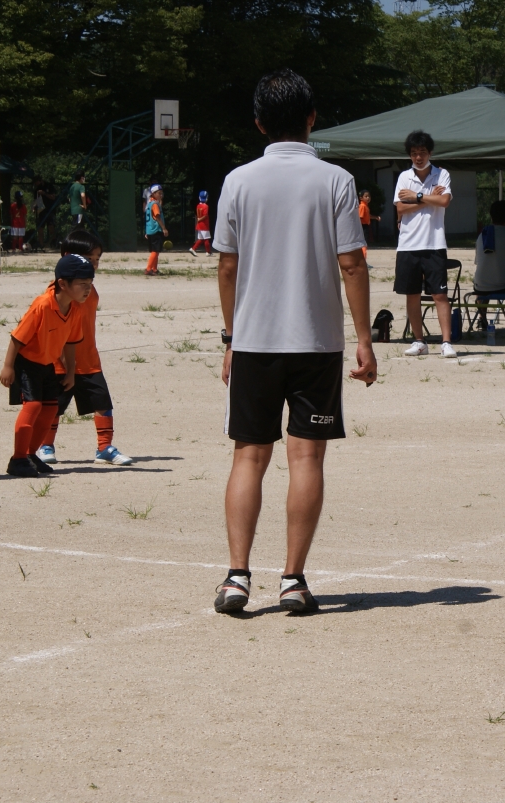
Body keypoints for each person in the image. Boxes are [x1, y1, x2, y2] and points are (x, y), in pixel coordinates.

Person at [212, 68, 375, 615]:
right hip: (316, 342)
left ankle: (236, 577)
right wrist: (364, 339)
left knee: (248, 455)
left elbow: (228, 266)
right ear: (312, 118)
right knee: (306, 457)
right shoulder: (336, 179)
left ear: (259, 122)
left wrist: (231, 336)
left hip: (255, 340)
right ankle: (293, 580)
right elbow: (351, 264)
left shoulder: (238, 180)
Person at [37, 229, 136, 467]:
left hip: (89, 359)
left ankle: (104, 448)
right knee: (53, 406)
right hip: (60, 362)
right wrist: (63, 360)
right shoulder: (58, 292)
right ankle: (45, 446)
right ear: (67, 257)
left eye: (97, 259)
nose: (94, 264)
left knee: (103, 404)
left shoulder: (90, 290)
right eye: (89, 259)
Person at [0, 254, 92, 478]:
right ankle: (17, 459)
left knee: (50, 409)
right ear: (63, 284)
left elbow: (70, 343)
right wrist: (8, 366)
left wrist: (71, 372)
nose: (88, 289)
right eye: (82, 284)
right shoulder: (42, 305)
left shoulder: (76, 309)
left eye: (90, 283)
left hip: (48, 364)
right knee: (32, 407)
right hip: (27, 364)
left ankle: (30, 454)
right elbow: (17, 338)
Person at [394, 130, 456, 357]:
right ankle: (419, 341)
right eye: (414, 153)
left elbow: (445, 200)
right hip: (408, 245)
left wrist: (417, 196)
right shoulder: (404, 177)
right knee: (412, 294)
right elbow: (401, 207)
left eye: (422, 152)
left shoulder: (442, 174)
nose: (418, 157)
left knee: (440, 295)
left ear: (429, 153)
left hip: (434, 243)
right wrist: (429, 197)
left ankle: (446, 342)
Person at [144, 184, 169, 276]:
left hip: (150, 230)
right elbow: (157, 217)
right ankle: (148, 269)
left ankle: (154, 269)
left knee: (156, 250)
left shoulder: (150, 203)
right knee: (155, 250)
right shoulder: (155, 204)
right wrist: (164, 228)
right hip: (156, 230)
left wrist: (146, 231)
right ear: (153, 194)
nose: (161, 195)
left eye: (162, 193)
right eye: (159, 193)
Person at [32, 178, 58, 251]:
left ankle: (53, 243)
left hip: (50, 210)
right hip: (41, 211)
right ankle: (41, 245)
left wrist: (44, 193)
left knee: (51, 227)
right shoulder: (37, 190)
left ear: (40, 181)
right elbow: (35, 200)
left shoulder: (49, 186)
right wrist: (34, 207)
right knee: (40, 228)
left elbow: (53, 197)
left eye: (37, 182)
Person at [190, 190, 212, 256]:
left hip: (199, 225)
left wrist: (198, 219)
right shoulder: (206, 206)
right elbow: (205, 215)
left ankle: (193, 249)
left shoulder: (198, 206)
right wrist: (200, 219)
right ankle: (208, 252)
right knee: (206, 239)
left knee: (201, 239)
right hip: (204, 225)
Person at [358, 189, 380, 253]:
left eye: (369, 196)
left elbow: (368, 216)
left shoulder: (366, 206)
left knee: (365, 241)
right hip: (363, 226)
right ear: (361, 198)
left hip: (366, 226)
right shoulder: (362, 206)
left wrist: (375, 217)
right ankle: (363, 255)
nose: (368, 198)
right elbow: (360, 217)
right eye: (366, 196)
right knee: (364, 242)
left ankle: (364, 255)